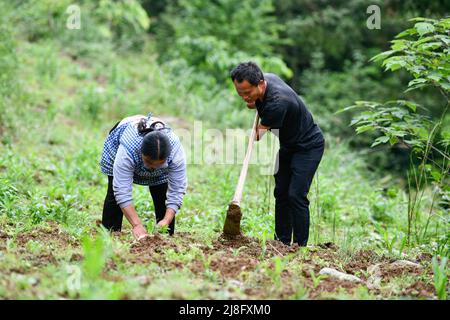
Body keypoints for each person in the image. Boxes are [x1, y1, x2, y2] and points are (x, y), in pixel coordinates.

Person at [230, 61, 325, 246]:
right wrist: (253, 99)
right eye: (240, 93)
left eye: (247, 93)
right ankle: (281, 242)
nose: (244, 97)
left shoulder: (278, 104)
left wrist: (255, 108)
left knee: (296, 195)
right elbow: (256, 103)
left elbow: (258, 135)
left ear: (261, 84)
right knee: (281, 193)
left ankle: (299, 246)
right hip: (289, 145)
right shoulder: (266, 78)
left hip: (308, 146)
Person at [99, 113, 187, 240]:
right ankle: (110, 236)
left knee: (162, 192)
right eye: (149, 163)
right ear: (141, 153)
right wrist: (137, 225)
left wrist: (167, 220)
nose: (152, 168)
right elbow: (122, 190)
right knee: (113, 194)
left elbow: (177, 189)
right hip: (119, 139)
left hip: (158, 155)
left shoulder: (175, 152)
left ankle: (165, 237)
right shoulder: (128, 149)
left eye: (158, 164)